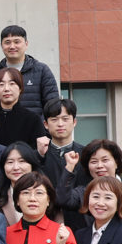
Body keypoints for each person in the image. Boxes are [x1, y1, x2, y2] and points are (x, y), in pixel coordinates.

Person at [0, 26, 60, 117]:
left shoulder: (42, 70)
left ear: (26, 44)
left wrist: (38, 124)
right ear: (1, 46)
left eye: (17, 42)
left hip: (33, 125)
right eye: (7, 42)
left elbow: (52, 105)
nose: (12, 46)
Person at [38, 98, 87, 232]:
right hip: (45, 223)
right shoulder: (38, 155)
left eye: (65, 119)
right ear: (46, 124)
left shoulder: (86, 155)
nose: (60, 124)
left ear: (74, 122)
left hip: (80, 224)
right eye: (54, 119)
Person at [0, 68, 48, 147]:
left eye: (12, 83)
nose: (6, 89)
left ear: (20, 88)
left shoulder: (32, 119)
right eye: (1, 84)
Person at [0, 141, 43, 226]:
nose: (16, 167)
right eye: (10, 162)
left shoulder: (45, 192)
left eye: (22, 161)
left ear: (32, 164)